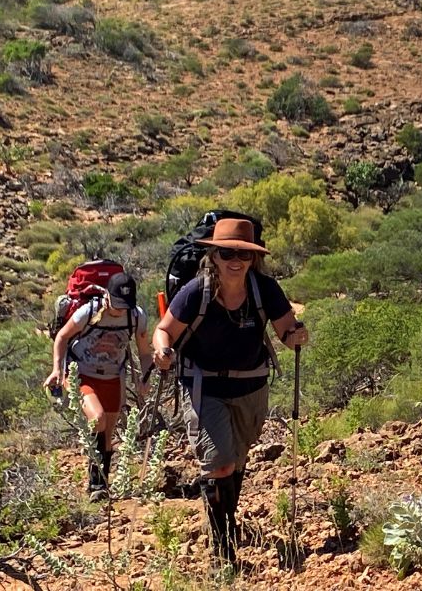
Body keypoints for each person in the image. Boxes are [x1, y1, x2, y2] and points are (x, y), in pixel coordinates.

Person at [152, 218, 308, 569]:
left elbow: (286, 330)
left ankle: (226, 522)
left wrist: (296, 336)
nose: (235, 260)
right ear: (215, 256)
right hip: (205, 387)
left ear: (253, 258)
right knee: (219, 461)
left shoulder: (265, 289)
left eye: (243, 254)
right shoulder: (196, 291)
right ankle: (223, 551)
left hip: (251, 387)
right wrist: (162, 351)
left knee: (235, 461)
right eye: (227, 253)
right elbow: (164, 331)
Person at [43, 272, 153, 501]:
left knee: (108, 433)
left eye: (125, 305)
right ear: (107, 296)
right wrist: (57, 370)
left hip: (113, 377)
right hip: (81, 374)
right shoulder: (89, 312)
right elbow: (62, 338)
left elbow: (144, 351)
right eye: (117, 304)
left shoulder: (136, 316)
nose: (120, 310)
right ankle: (95, 483)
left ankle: (100, 484)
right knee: (98, 419)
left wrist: (145, 376)